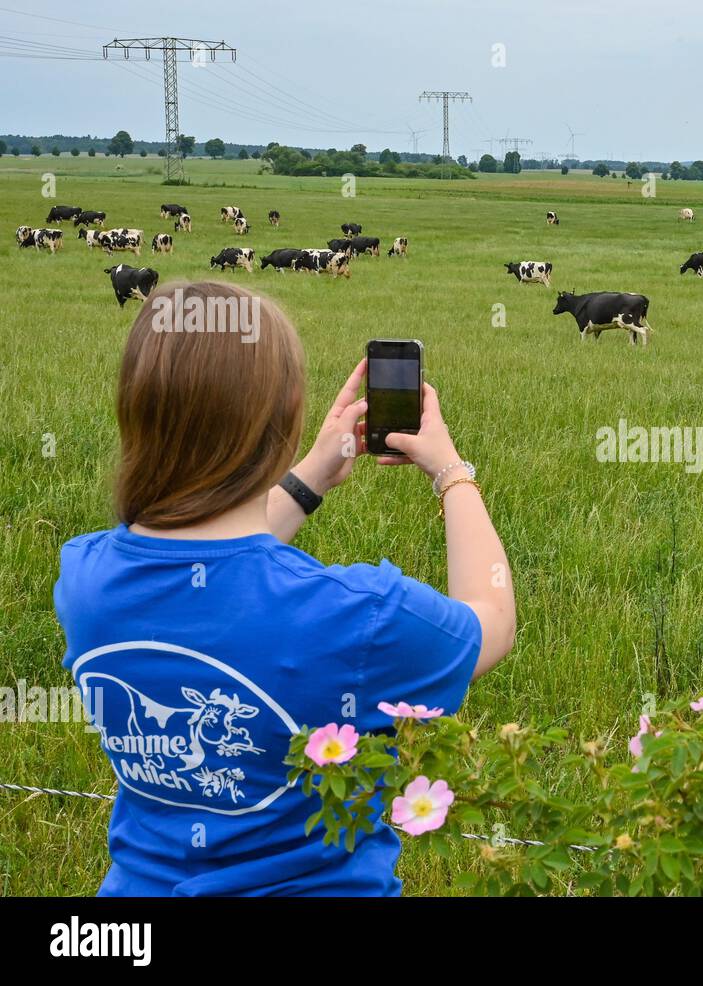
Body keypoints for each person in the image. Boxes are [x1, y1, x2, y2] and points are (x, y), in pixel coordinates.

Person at [54, 281, 515, 896]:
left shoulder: (84, 578)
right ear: (286, 418)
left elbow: (208, 559)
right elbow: (492, 617)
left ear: (134, 412)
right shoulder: (359, 617)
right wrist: (452, 473)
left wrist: (308, 480)